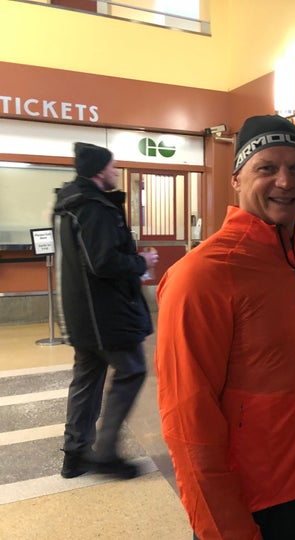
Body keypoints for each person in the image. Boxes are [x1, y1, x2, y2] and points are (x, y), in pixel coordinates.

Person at [154, 115, 295, 540]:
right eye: (266, 168)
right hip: (254, 503)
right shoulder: (201, 275)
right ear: (237, 179)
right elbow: (187, 422)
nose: (284, 181)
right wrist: (224, 528)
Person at [54, 142, 158, 479]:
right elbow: (103, 262)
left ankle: (76, 455)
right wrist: (142, 261)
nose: (116, 171)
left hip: (85, 314)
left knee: (87, 379)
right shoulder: (94, 206)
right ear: (100, 170)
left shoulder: (71, 204)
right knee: (132, 371)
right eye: (113, 166)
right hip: (106, 314)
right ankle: (106, 452)